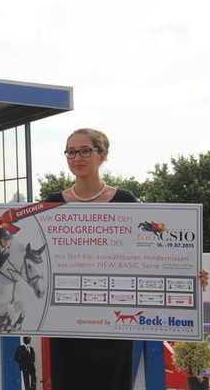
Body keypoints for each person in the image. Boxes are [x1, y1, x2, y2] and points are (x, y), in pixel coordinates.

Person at [42, 127, 137, 390]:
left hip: (113, 321)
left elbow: (146, 254)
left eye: (85, 150)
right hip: (67, 321)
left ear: (102, 155)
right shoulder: (53, 203)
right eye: (71, 152)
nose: (77, 157)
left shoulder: (125, 201)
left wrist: (190, 276)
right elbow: (37, 256)